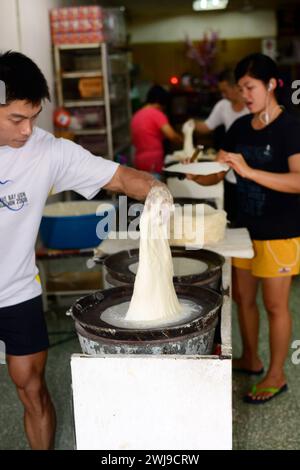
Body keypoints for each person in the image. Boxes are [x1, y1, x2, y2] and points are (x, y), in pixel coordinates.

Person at [0, 51, 171, 449]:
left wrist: (158, 193)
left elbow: (120, 178)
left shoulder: (48, 151)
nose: (27, 130)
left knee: (31, 389)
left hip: (16, 291)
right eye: (15, 119)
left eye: (34, 116)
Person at [187, 53, 300, 404]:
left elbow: (298, 181)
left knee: (275, 305)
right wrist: (194, 172)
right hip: (242, 230)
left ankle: (277, 375)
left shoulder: (290, 127)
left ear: (271, 85)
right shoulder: (238, 127)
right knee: (244, 301)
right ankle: (251, 358)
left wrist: (249, 171)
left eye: (250, 87)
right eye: (240, 88)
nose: (245, 95)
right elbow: (219, 174)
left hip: (280, 230)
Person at [192, 69, 249, 224]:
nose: (223, 95)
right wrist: (191, 124)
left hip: (252, 181)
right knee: (234, 224)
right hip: (230, 176)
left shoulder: (252, 110)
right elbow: (207, 126)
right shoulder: (225, 109)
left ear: (237, 87)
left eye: (225, 91)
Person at [131, 84, 182, 175]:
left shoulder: (137, 115)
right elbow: (172, 136)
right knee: (155, 187)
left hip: (139, 159)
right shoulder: (156, 114)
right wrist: (182, 141)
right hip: (153, 160)